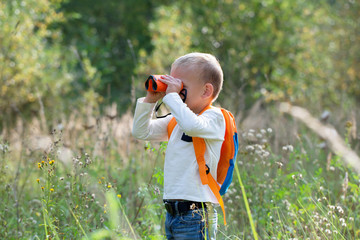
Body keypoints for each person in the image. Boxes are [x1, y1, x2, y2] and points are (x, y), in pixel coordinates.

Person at [132, 52, 225, 240]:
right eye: (171, 84)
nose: (173, 90)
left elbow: (191, 126)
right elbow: (142, 132)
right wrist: (151, 99)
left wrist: (173, 97)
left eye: (181, 86)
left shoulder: (215, 117)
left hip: (196, 214)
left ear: (206, 91)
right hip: (173, 214)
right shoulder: (176, 121)